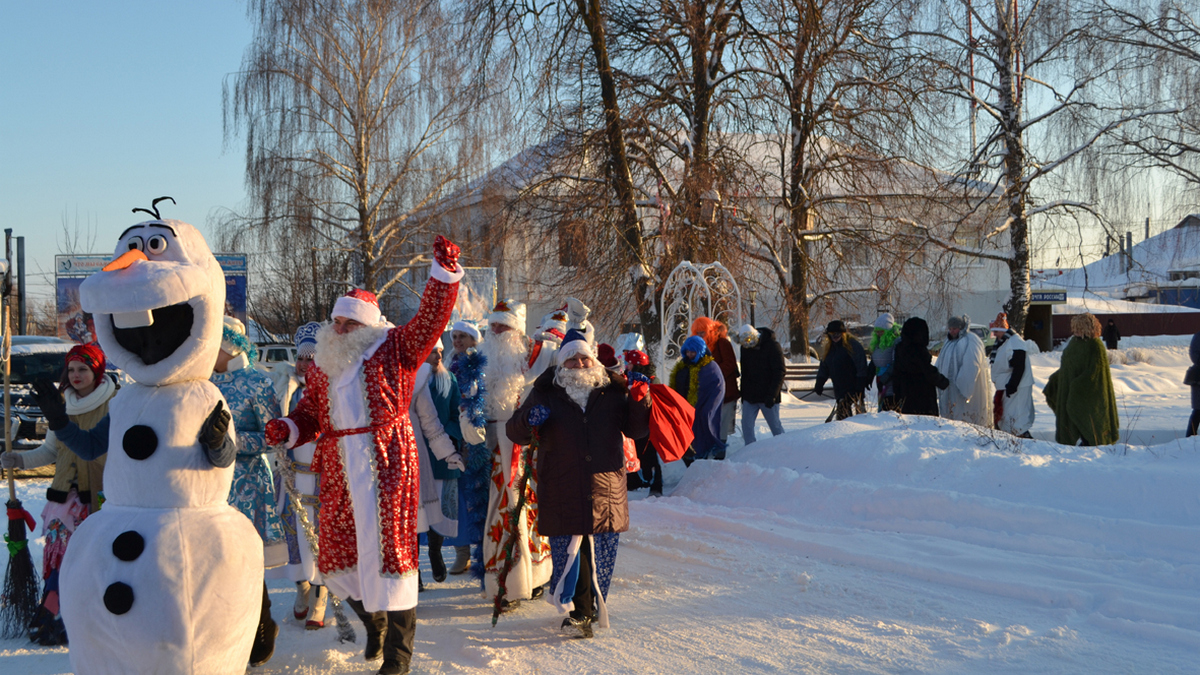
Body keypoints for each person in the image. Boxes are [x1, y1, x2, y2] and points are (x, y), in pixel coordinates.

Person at [265, 236, 463, 675]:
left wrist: (443, 273)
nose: (339, 327)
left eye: (349, 322)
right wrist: (290, 427)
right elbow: (312, 413)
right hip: (337, 463)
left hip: (386, 459)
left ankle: (398, 656)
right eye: (336, 320)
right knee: (336, 557)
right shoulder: (322, 364)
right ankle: (373, 623)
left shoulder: (396, 348)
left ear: (368, 325)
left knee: (391, 555)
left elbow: (431, 319)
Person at [507, 330, 651, 638]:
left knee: (600, 552)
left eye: (584, 357)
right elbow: (514, 431)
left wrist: (641, 399)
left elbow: (636, 430)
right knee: (573, 552)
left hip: (604, 484)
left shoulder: (612, 392)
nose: (579, 363)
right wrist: (530, 419)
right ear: (561, 365)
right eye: (571, 359)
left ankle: (593, 605)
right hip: (563, 484)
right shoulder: (545, 392)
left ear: (594, 360)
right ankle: (580, 611)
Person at [1, 344, 116, 646]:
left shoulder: (114, 404)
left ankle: (85, 616)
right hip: (63, 499)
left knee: (90, 560)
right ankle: (54, 614)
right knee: (59, 558)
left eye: (84, 369)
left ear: (97, 371)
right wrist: (20, 461)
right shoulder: (60, 403)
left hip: (99, 499)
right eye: (72, 369)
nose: (76, 375)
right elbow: (52, 450)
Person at [212, 316, 287, 666]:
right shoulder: (202, 383)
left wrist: (230, 442)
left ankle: (262, 624)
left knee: (246, 561)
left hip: (248, 484)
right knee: (216, 563)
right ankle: (226, 634)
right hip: (210, 485)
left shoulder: (257, 381)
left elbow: (274, 435)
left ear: (227, 345)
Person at [479, 298, 556, 608]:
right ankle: (507, 582)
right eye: (493, 325)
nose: (496, 330)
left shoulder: (541, 356)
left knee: (532, 512)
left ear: (516, 330)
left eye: (503, 326)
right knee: (503, 513)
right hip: (497, 452)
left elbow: (575, 359)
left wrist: (577, 324)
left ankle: (534, 577)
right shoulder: (483, 361)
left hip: (532, 449)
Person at [274, 321, 329, 629]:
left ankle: (321, 600)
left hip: (321, 477)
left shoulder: (330, 390)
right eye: (301, 358)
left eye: (312, 358)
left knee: (321, 538)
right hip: (293, 476)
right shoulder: (285, 388)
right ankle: (302, 589)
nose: (305, 364)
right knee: (294, 536)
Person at [411, 341, 465, 586]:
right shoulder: (411, 380)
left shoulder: (449, 380)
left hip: (443, 454)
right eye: (433, 351)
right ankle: (414, 572)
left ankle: (435, 552)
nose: (438, 356)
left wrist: (449, 437)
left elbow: (456, 414)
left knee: (440, 508)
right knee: (413, 509)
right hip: (415, 452)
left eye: (441, 352)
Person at [447, 320, 490, 579]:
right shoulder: (448, 364)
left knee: (480, 495)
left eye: (464, 336)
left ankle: (484, 552)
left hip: (478, 438)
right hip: (454, 438)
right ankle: (461, 551)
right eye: (455, 336)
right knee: (458, 497)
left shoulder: (482, 365)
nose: (459, 341)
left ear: (475, 339)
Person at [1044, 313, 1120, 446]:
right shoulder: (1074, 342)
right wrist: (1058, 378)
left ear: (1088, 328)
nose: (1075, 331)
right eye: (1074, 328)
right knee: (1069, 413)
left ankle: (1090, 441)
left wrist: (1078, 386)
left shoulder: (1095, 345)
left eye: (1079, 328)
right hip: (1069, 385)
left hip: (1089, 394)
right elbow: (1069, 364)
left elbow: (1096, 372)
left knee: (1086, 417)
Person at [670, 334, 725, 462]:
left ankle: (702, 465)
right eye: (687, 351)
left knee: (700, 437)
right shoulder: (682, 366)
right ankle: (692, 466)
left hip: (700, 410)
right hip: (683, 410)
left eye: (693, 352)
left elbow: (717, 388)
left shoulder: (710, 367)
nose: (689, 355)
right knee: (684, 443)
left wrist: (705, 408)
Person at [935, 315, 993, 427]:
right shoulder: (948, 342)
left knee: (964, 416)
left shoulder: (971, 341)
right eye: (950, 329)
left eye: (954, 329)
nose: (952, 331)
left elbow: (972, 364)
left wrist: (965, 386)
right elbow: (940, 362)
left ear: (961, 328)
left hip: (962, 391)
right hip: (948, 388)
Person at [692, 317, 740, 447]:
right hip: (708, 393)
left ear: (710, 330)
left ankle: (720, 453)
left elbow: (730, 364)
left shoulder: (722, 343)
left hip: (725, 392)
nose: (700, 335)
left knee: (722, 425)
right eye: (697, 333)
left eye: (703, 332)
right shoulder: (699, 347)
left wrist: (713, 375)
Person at [622, 348, 663, 495]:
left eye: (630, 363)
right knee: (634, 453)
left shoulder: (650, 380)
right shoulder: (627, 378)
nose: (627, 366)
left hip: (648, 424)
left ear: (638, 364)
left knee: (650, 456)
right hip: (633, 422)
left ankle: (655, 485)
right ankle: (634, 482)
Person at [737, 324, 786, 444]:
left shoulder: (772, 346)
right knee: (746, 426)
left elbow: (779, 372)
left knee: (775, 426)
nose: (748, 344)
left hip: (768, 395)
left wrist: (772, 395)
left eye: (749, 340)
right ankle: (750, 450)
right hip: (750, 395)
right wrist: (743, 394)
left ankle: (785, 447)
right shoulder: (745, 348)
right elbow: (745, 372)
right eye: (745, 342)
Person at [988, 313, 1035, 438]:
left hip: (1017, 388)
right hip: (1007, 387)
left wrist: (1012, 385)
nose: (995, 335)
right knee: (1008, 417)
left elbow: (1019, 367)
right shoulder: (1004, 342)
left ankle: (1024, 440)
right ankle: (1013, 439)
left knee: (1017, 417)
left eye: (997, 331)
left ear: (1003, 330)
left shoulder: (1015, 342)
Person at [892, 317, 950, 416]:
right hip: (922, 396)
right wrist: (943, 382)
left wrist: (897, 394)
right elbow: (928, 371)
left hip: (905, 393)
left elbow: (896, 372)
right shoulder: (918, 350)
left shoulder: (900, 348)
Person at [814, 320, 870, 421]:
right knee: (843, 415)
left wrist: (860, 383)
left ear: (843, 334)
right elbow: (824, 367)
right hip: (839, 388)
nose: (835, 337)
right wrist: (820, 382)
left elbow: (861, 364)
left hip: (853, 387)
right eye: (831, 334)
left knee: (848, 414)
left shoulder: (853, 346)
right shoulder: (830, 349)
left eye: (837, 334)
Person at [869, 314, 902, 412]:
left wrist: (885, 378)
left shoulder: (895, 342)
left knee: (889, 409)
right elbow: (875, 359)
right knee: (882, 408)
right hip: (881, 380)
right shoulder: (878, 342)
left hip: (891, 382)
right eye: (877, 331)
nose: (879, 333)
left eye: (881, 331)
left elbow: (895, 363)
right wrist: (870, 373)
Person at [1186, 331, 1200, 437]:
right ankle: (1190, 438)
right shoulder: (1198, 336)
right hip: (1198, 378)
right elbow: (1194, 354)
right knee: (1198, 411)